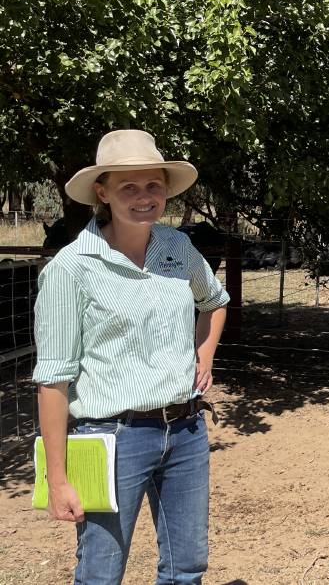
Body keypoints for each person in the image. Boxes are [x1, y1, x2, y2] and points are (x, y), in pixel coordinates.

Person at [33, 129, 229, 584]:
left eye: (153, 185)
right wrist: (58, 479)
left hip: (186, 431)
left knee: (187, 567)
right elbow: (53, 381)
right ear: (102, 193)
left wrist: (205, 354)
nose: (144, 197)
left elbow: (214, 302)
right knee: (101, 571)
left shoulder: (177, 249)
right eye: (129, 187)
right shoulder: (72, 269)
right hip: (112, 439)